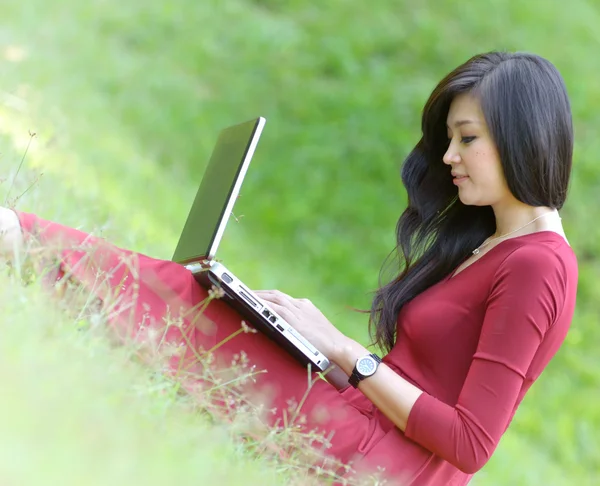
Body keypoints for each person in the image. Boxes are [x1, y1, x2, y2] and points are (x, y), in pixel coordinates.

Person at [0, 51, 578, 485]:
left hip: (383, 466)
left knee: (211, 323)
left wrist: (347, 351)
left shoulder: (539, 266)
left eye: (466, 139)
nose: (449, 157)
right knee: (230, 313)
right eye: (449, 139)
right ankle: (27, 245)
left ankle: (21, 241)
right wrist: (321, 351)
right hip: (368, 425)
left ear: (522, 139)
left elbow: (470, 442)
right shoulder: (495, 242)